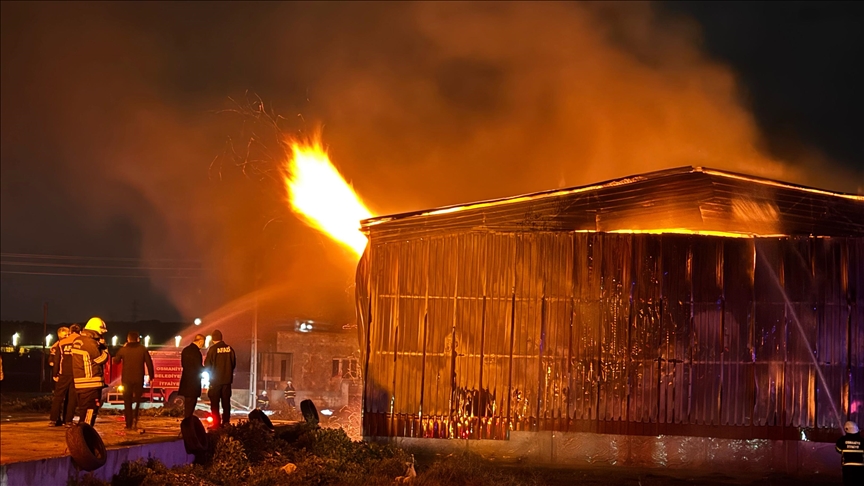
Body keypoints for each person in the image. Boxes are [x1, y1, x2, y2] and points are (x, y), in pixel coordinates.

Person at [112, 331, 154, 431]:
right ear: (138, 339)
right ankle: (136, 419)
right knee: (138, 400)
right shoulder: (143, 349)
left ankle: (128, 424)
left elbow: (116, 361)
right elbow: (149, 363)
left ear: (128, 339)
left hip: (126, 379)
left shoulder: (124, 349)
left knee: (127, 401)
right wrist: (151, 376)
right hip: (139, 378)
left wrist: (121, 349)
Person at [72, 317, 109, 427]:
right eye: (100, 333)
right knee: (89, 414)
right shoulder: (90, 343)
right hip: (91, 383)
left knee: (83, 413)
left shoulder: (78, 340)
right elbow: (102, 359)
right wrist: (104, 347)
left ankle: (80, 436)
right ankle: (85, 439)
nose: (101, 335)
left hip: (80, 383)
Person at [203, 330, 235, 429]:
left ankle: (216, 424)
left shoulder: (212, 349)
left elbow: (207, 365)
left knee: (215, 402)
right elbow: (233, 364)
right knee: (226, 403)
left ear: (213, 339)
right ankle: (226, 422)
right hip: (227, 381)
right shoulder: (230, 349)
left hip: (215, 381)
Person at [49, 325, 80, 427]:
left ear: (70, 331)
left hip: (63, 373)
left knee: (58, 396)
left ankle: (53, 419)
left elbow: (57, 360)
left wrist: (55, 373)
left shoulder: (61, 343)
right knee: (72, 398)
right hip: (76, 373)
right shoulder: (81, 341)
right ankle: (68, 421)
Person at [178, 334, 206, 418]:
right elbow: (198, 367)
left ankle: (186, 422)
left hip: (186, 380)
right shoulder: (197, 353)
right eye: (203, 343)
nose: (203, 345)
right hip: (194, 382)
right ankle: (188, 424)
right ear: (200, 341)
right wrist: (206, 368)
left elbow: (183, 365)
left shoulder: (185, 350)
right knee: (192, 404)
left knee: (187, 404)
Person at [836, 420, 863, 486]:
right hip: (860, 467)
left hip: (847, 466)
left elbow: (838, 449)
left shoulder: (842, 440)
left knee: (848, 482)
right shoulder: (862, 440)